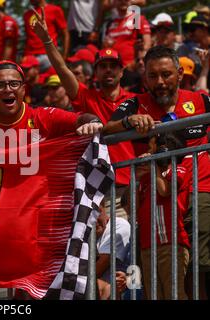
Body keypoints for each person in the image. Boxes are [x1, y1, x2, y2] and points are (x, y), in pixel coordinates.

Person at [104, 45, 210, 299]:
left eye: (166, 74)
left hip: (199, 189)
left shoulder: (201, 100)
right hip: (155, 200)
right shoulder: (135, 104)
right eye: (153, 76)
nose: (160, 82)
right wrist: (129, 122)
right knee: (154, 271)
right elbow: (107, 130)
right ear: (145, 79)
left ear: (179, 74)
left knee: (201, 262)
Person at [31, 8, 136, 219]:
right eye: (103, 66)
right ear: (95, 73)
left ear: (121, 72)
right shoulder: (86, 97)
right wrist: (47, 41)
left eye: (113, 66)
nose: (108, 70)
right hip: (98, 187)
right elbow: (61, 69)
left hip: (131, 183)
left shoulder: (136, 99)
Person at [135, 133, 190, 300]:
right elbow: (133, 208)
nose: (147, 152)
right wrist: (135, 175)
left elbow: (164, 191)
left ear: (164, 150)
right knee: (153, 296)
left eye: (151, 148)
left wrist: (154, 165)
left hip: (171, 244)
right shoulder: (146, 177)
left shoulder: (178, 169)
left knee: (174, 294)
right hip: (147, 246)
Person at [102, 0, 151, 67]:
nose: (123, 1)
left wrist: (136, 62)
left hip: (131, 68)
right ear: (114, 2)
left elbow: (147, 44)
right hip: (113, 68)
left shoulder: (136, 18)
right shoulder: (110, 23)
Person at [23, 0, 69, 72]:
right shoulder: (26, 14)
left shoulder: (55, 10)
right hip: (29, 57)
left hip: (48, 55)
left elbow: (65, 34)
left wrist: (64, 57)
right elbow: (28, 37)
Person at [95, 208, 131, 300]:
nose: (94, 221)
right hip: (107, 287)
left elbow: (99, 268)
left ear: (102, 209)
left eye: (96, 214)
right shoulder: (88, 233)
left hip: (126, 286)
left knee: (105, 288)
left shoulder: (118, 225)